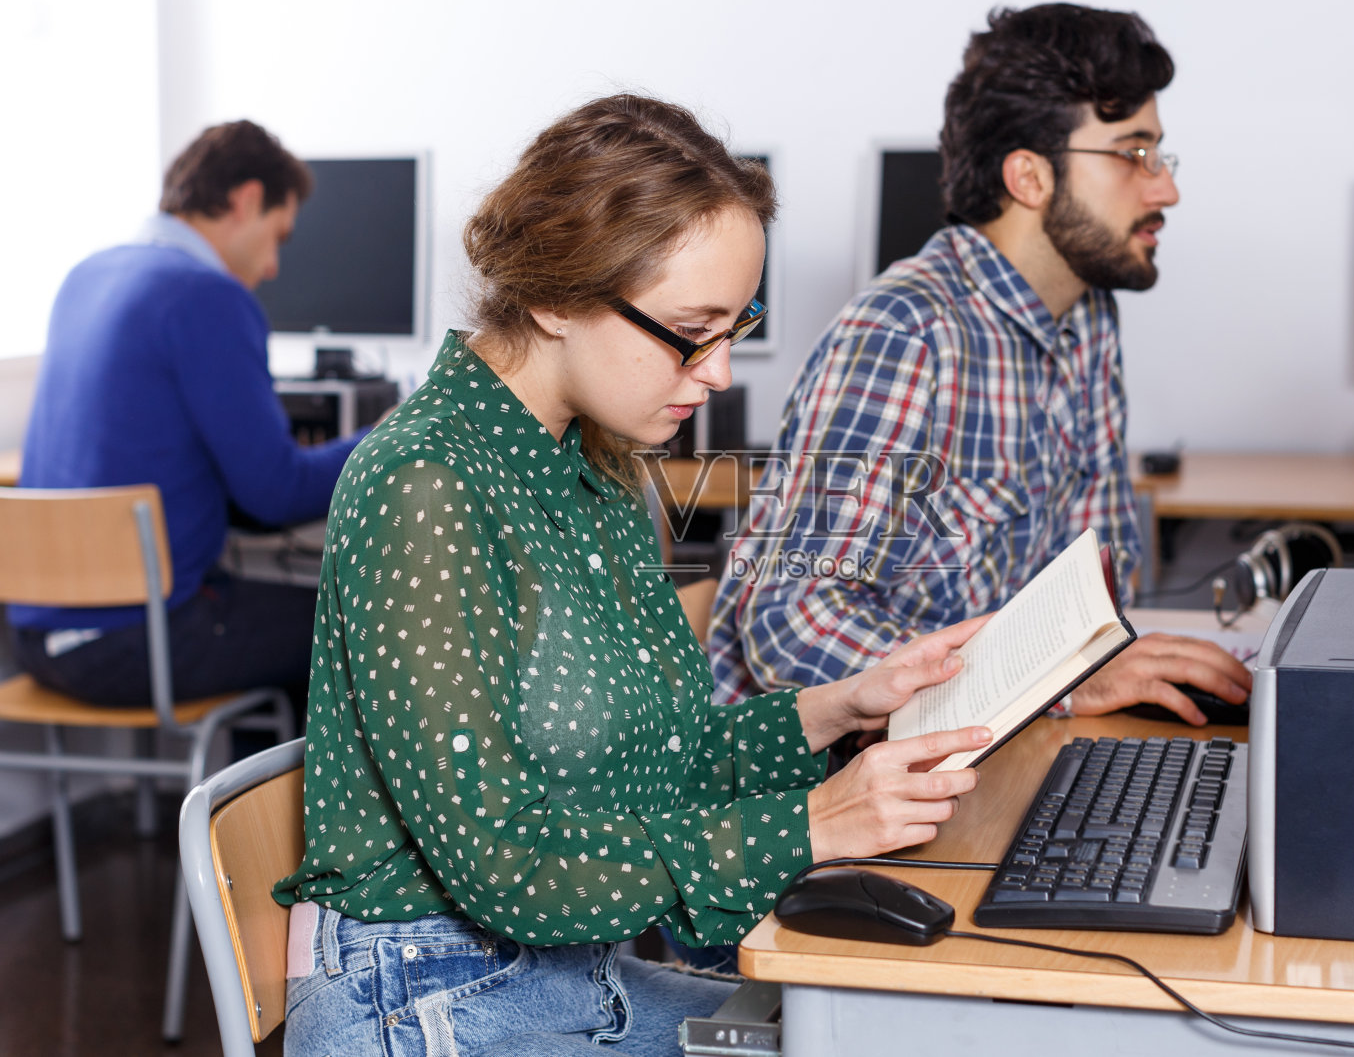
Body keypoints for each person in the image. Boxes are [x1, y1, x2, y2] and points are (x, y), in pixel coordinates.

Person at [271, 94, 991, 1057]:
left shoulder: (599, 465)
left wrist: (841, 707)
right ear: (556, 297)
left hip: (573, 973)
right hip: (429, 998)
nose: (722, 371)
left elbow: (652, 766)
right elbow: (508, 866)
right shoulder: (425, 483)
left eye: (741, 324)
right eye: (695, 330)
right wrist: (812, 824)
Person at [707, 2, 1252, 723]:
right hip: (828, 780)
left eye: (1159, 155)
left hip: (985, 740)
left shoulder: (1086, 320)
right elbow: (791, 623)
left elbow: (1092, 581)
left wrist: (1101, 664)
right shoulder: (906, 333)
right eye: (1132, 154)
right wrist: (1048, 681)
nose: (1165, 189)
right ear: (1029, 177)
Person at [9, 120, 366, 710]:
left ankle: (244, 801)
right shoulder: (208, 296)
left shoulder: (86, 274)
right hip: (131, 643)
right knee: (351, 621)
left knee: (252, 607)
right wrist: (385, 437)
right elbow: (274, 494)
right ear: (247, 198)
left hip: (36, 636)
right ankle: (263, 805)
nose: (274, 265)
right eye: (278, 235)